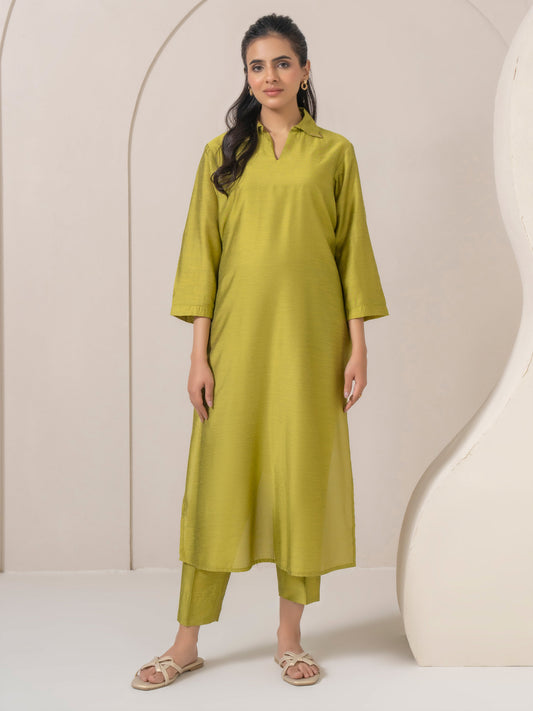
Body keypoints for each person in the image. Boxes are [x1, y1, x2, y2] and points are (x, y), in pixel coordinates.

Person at [131, 12, 389, 690]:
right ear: (245, 77)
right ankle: (185, 642)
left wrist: (358, 346)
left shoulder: (334, 153)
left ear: (304, 70)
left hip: (312, 343)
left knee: (300, 478)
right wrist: (198, 355)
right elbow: (201, 254)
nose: (268, 76)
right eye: (256, 66)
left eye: (280, 63)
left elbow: (352, 253)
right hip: (235, 342)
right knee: (217, 482)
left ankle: (289, 639)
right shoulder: (221, 155)